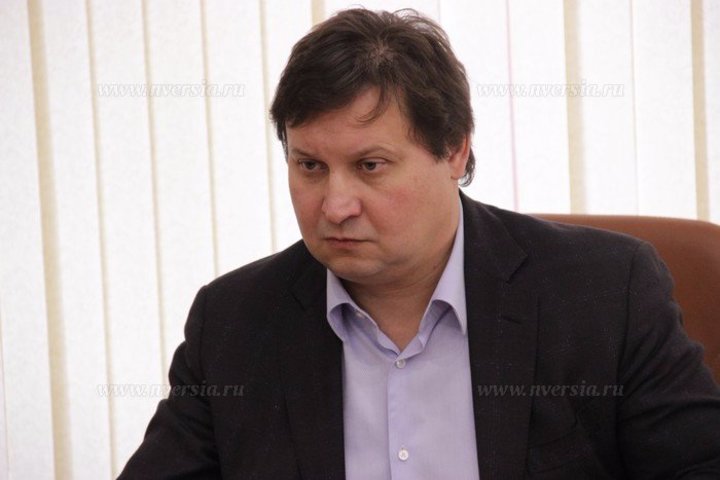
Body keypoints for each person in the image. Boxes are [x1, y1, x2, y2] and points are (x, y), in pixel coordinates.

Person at [119, 8, 720, 479]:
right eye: (310, 166)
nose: (335, 205)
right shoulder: (234, 323)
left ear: (454, 150)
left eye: (370, 165)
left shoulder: (604, 293)